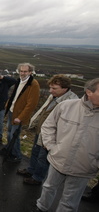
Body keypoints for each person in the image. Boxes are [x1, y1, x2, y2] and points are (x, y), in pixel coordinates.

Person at [34, 78, 99, 212]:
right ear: (89, 92)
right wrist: (51, 147)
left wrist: (95, 163)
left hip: (84, 167)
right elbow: (48, 126)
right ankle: (41, 208)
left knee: (70, 199)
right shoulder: (67, 106)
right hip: (58, 159)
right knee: (48, 187)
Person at [17, 75, 78, 185]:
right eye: (50, 87)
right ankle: (31, 170)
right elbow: (43, 111)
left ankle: (37, 178)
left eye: (54, 88)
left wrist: (52, 139)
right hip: (41, 131)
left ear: (65, 88)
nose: (50, 91)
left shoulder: (72, 102)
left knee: (43, 158)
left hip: (52, 136)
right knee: (35, 152)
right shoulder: (54, 97)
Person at [0, 63, 40, 163]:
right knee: (8, 133)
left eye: (25, 71)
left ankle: (16, 155)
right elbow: (14, 95)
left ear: (30, 72)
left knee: (14, 135)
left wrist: (21, 117)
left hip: (19, 115)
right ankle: (9, 149)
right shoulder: (19, 81)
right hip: (12, 111)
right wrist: (7, 105)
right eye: (21, 71)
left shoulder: (33, 84)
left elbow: (31, 104)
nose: (22, 73)